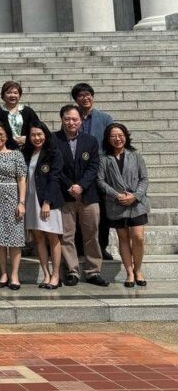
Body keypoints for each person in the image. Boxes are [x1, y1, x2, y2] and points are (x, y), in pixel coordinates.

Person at [56, 104, 107, 286]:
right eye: (67, 119)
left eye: (75, 119)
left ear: (80, 120)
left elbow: (94, 167)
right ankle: (72, 271)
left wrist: (81, 186)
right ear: (61, 119)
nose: (71, 122)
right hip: (65, 196)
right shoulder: (54, 140)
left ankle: (93, 271)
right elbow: (55, 168)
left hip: (88, 196)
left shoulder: (90, 141)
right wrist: (70, 186)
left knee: (91, 234)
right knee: (66, 236)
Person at [98, 123, 149, 287]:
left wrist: (135, 196)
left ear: (126, 136)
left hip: (136, 203)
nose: (117, 138)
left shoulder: (135, 155)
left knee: (138, 237)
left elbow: (144, 179)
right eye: (113, 136)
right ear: (108, 139)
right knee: (123, 238)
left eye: (120, 135)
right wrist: (116, 195)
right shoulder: (104, 159)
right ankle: (129, 272)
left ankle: (138, 269)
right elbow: (100, 180)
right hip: (116, 203)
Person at [72, 82, 115, 261]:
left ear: (93, 97)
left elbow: (111, 142)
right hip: (77, 171)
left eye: (88, 94)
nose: (85, 98)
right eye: (81, 95)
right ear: (76, 99)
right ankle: (79, 247)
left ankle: (101, 247)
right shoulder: (72, 117)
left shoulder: (105, 119)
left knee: (102, 212)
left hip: (100, 170)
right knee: (77, 210)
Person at [0, 122, 27, 290]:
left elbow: (22, 178)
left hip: (12, 197)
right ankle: (3, 273)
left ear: (7, 135)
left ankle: (14, 275)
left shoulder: (16, 155)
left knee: (15, 239)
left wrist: (21, 202)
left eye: (1, 134)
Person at [23, 122, 64, 289]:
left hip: (48, 201)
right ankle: (46, 274)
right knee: (38, 238)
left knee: (53, 237)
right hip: (31, 200)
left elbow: (55, 178)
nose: (37, 138)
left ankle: (56, 275)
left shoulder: (53, 153)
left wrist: (47, 202)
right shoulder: (27, 152)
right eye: (33, 135)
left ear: (46, 135)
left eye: (40, 134)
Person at [0, 80, 39, 149]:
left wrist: (27, 138)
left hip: (26, 149)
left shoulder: (28, 111)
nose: (12, 95)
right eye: (9, 93)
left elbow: (37, 128)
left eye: (15, 93)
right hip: (4, 150)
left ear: (19, 95)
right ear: (3, 95)